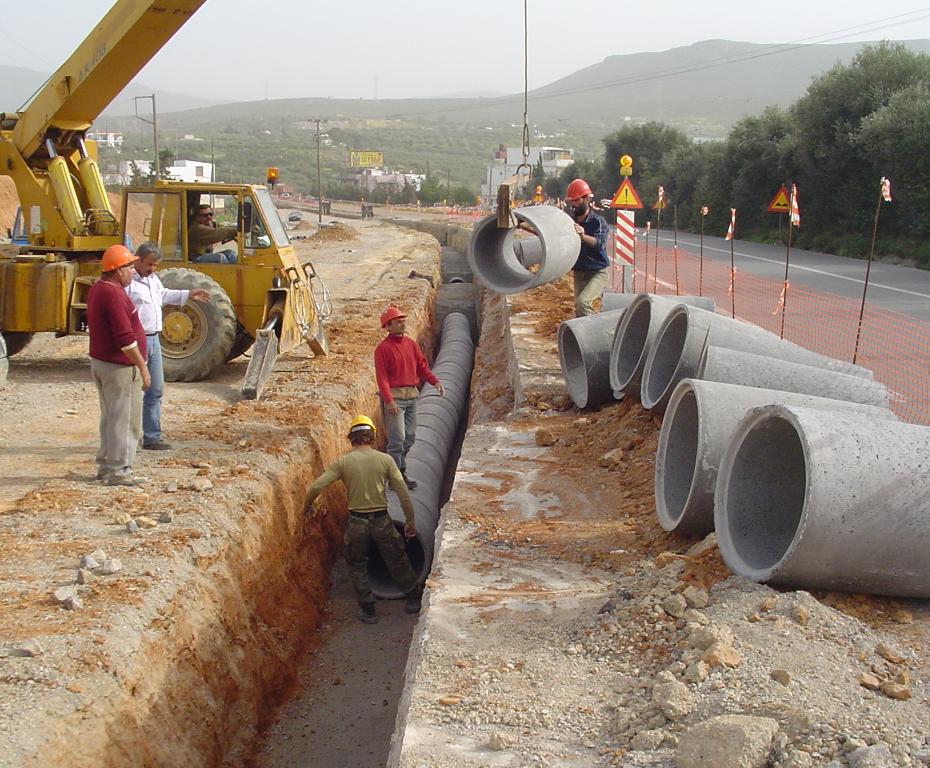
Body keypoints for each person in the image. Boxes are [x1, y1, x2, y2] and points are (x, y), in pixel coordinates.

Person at [305, 415, 423, 623]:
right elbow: (402, 491)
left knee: (357, 563)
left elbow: (316, 487)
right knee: (397, 558)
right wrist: (410, 521)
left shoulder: (343, 462)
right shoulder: (385, 460)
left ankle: (368, 610)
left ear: (352, 437)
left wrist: (307, 507)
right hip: (382, 521)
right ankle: (413, 599)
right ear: (372, 435)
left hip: (357, 522)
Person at [126, 242, 211, 450]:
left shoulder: (153, 280)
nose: (152, 269)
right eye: (149, 265)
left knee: (155, 389)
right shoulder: (128, 283)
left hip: (154, 340)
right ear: (138, 260)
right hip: (137, 342)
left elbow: (163, 296)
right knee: (132, 390)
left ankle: (152, 437)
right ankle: (128, 440)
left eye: (155, 265)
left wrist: (188, 294)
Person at [87, 244, 151, 487]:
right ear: (117, 269)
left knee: (111, 417)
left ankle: (106, 465)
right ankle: (119, 470)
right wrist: (143, 367)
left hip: (103, 363)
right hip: (119, 367)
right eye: (129, 267)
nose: (133, 271)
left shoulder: (99, 289)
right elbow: (125, 339)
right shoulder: (113, 294)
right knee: (125, 419)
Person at [374, 306, 443, 490]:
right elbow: (382, 378)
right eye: (397, 321)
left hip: (412, 396)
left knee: (410, 437)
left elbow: (422, 366)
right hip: (395, 399)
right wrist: (389, 401)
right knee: (397, 440)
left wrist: (435, 381)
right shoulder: (382, 349)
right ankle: (395, 478)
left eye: (402, 320)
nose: (402, 323)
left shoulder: (411, 344)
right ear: (388, 327)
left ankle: (401, 471)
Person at [565, 178, 610, 317]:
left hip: (597, 271)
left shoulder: (598, 222)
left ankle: (590, 336)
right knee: (580, 308)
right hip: (580, 271)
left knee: (583, 303)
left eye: (576, 200)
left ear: (586, 200)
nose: (573, 205)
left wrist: (583, 236)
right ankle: (580, 335)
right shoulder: (568, 221)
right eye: (571, 201)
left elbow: (600, 244)